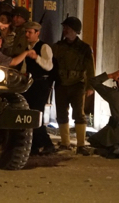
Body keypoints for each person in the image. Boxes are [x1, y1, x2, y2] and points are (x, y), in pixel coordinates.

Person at [52, 16, 95, 155]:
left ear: (76, 31)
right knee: (61, 113)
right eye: (64, 28)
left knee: (79, 114)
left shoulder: (84, 48)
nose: (65, 30)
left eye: (68, 28)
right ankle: (65, 143)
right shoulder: (58, 47)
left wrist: (90, 86)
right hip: (61, 83)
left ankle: (81, 145)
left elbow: (90, 68)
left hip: (77, 84)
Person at [20, 22, 57, 155]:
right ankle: (34, 146)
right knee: (30, 114)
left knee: (36, 113)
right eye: (26, 32)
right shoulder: (27, 47)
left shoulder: (44, 47)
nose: (27, 35)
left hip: (41, 84)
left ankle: (47, 143)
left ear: (37, 33)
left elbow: (49, 66)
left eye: (30, 32)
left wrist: (36, 57)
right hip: (30, 84)